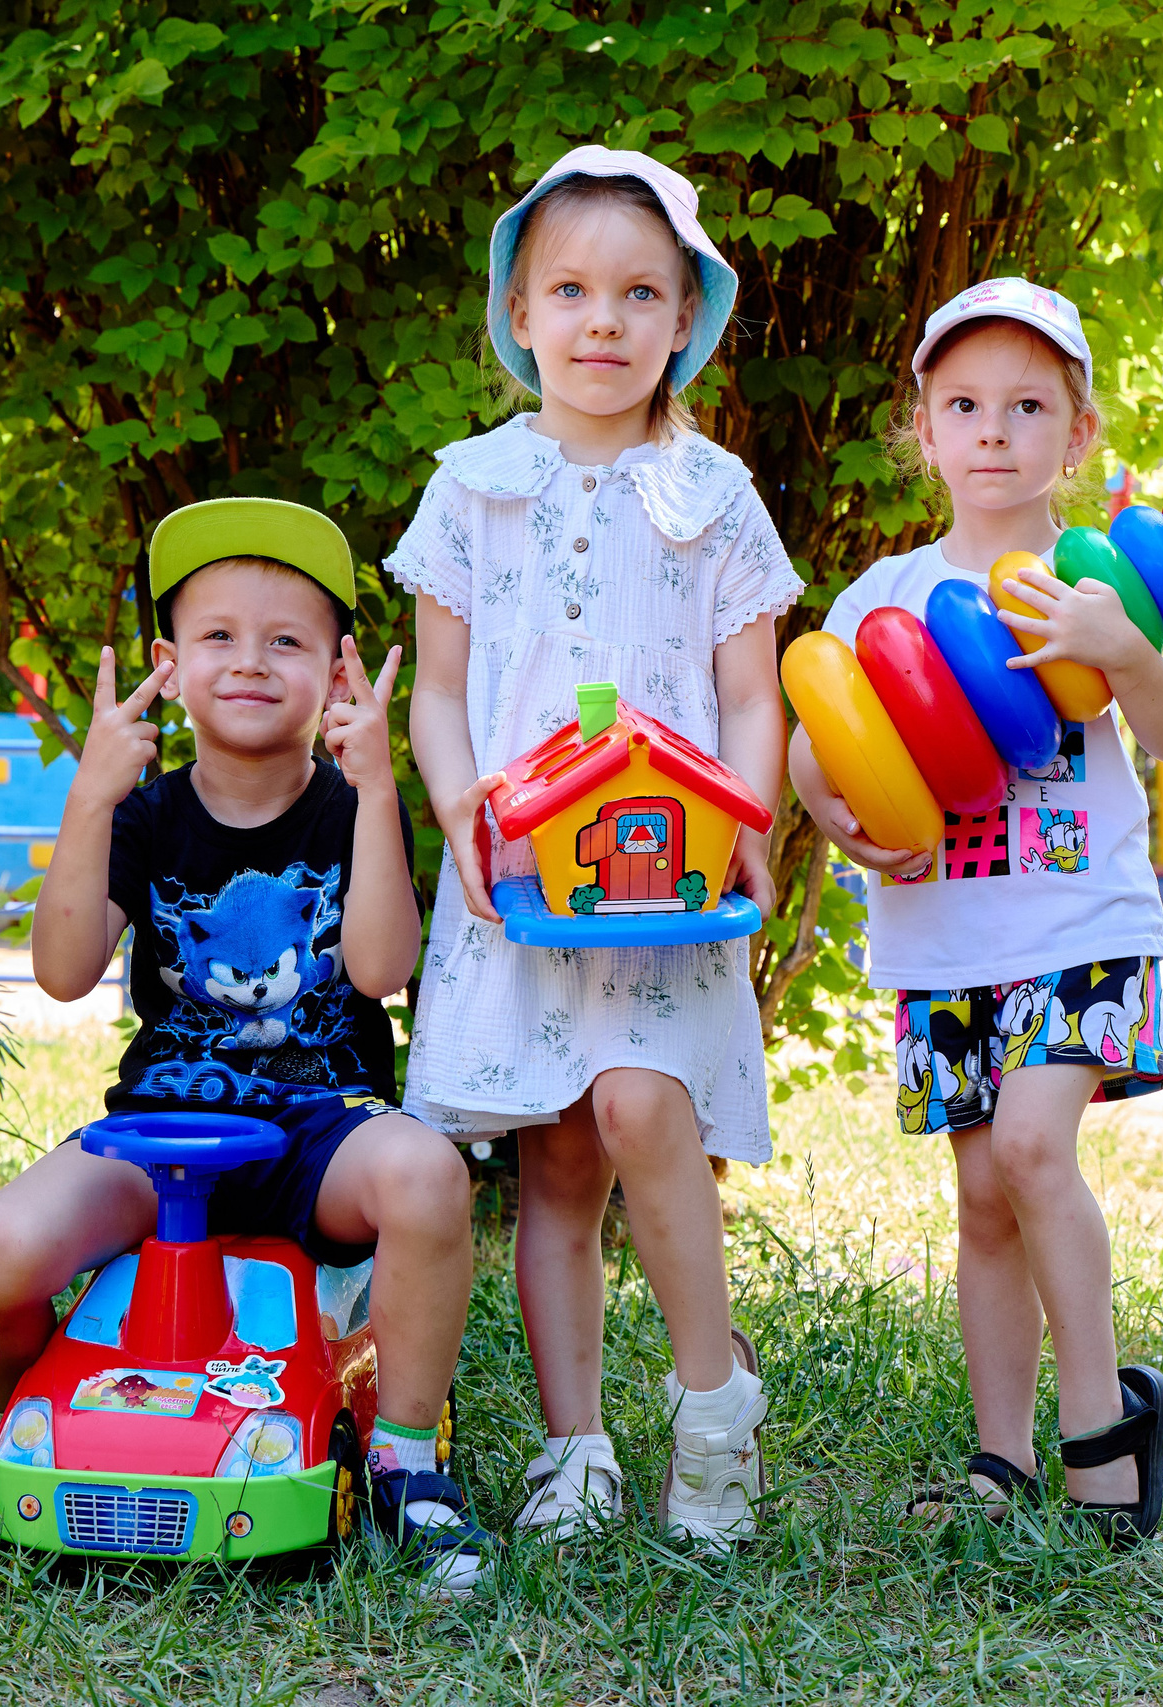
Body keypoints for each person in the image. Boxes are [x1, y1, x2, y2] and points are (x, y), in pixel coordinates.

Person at [0, 498, 489, 1593]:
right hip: (162, 1136)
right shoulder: (142, 817)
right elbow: (62, 970)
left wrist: (378, 788)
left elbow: (380, 969)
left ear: (337, 669)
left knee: (427, 1175)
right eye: (219, 635)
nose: (252, 661)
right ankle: (2, 1435)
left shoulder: (351, 808)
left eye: (287, 641)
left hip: (322, 1132)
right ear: (169, 667)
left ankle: (407, 1462)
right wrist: (92, 796)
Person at [390, 146, 802, 1551]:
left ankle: (713, 1402)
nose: (602, 321)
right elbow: (440, 688)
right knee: (557, 1166)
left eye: (638, 293)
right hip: (519, 881)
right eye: (568, 291)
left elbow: (754, 693)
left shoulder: (714, 495)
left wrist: (745, 825)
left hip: (663, 883)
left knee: (637, 1106)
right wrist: (459, 804)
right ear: (519, 312)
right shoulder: (471, 488)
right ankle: (575, 1449)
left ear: (686, 315)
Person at [787, 277, 1163, 1545]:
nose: (994, 432)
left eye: (1027, 407)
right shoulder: (886, 595)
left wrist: (1120, 649)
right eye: (963, 406)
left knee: (1031, 1150)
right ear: (923, 429)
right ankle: (1000, 1457)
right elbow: (819, 743)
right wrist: (831, 813)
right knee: (981, 1198)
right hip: (945, 942)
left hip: (1083, 932)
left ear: (1076, 433)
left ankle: (1101, 1432)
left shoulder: (1097, 584)